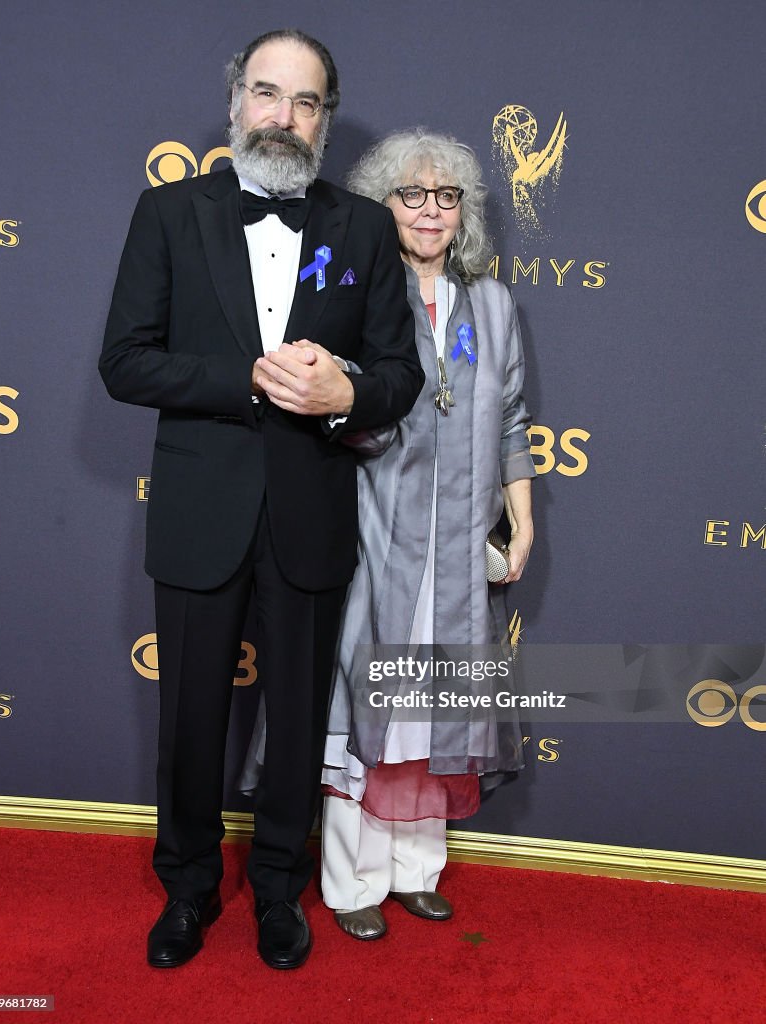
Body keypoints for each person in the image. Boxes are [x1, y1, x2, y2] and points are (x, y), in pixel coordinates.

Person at [99, 31, 423, 970]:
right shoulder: (167, 213)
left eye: (306, 101)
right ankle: (188, 889)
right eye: (268, 94)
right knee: (191, 719)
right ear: (236, 98)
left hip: (310, 514)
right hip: (201, 510)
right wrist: (247, 380)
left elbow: (399, 374)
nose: (284, 117)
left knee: (296, 724)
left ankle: (280, 891)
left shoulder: (363, 227)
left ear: (323, 118)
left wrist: (347, 393)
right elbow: (125, 361)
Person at [319, 129, 536, 940]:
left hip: (458, 550)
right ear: (382, 206)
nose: (430, 210)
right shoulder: (357, 295)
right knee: (375, 703)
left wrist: (520, 513)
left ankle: (416, 873)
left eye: (446, 196)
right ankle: (351, 884)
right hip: (381, 539)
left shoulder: (492, 302)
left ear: (464, 211)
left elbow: (511, 415)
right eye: (411, 194)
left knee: (436, 709)